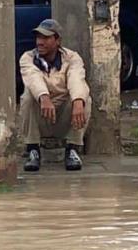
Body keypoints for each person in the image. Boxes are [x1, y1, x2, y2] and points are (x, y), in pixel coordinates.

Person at [19, 19, 91, 172]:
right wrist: (43, 97)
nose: (40, 42)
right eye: (38, 38)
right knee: (28, 97)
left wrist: (78, 101)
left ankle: (73, 149)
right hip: (41, 118)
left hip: (64, 118)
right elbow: (33, 78)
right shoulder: (28, 58)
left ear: (57, 40)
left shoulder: (72, 58)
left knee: (84, 98)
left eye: (45, 38)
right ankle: (32, 149)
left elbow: (76, 78)